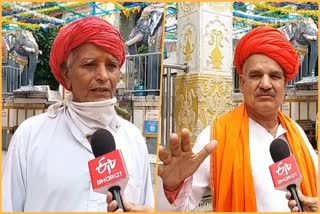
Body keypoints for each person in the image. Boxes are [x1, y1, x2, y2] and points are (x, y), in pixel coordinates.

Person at [157, 26, 318, 212]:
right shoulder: (216, 136)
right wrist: (171, 188)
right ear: (242, 84)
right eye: (256, 75)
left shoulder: (296, 133)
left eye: (274, 76)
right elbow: (179, 208)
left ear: (284, 85)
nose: (265, 84)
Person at [2, 16, 154, 212]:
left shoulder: (133, 138)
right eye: (89, 65)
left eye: (111, 66)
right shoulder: (30, 136)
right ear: (66, 74)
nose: (103, 76)